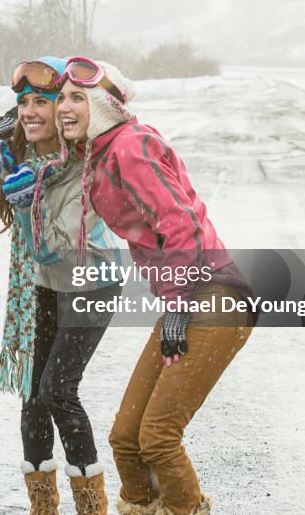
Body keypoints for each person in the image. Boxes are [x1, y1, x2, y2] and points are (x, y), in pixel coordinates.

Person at [55, 58, 253, 515]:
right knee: (125, 439)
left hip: (214, 295)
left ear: (103, 106)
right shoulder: (98, 153)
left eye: (77, 97)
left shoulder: (130, 145)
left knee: (159, 439)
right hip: (186, 296)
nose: (64, 105)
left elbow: (180, 223)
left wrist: (179, 303)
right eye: (62, 96)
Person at [0, 57, 123, 515]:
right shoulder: (21, 157)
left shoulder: (83, 164)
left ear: (66, 109)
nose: (31, 111)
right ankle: (43, 509)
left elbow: (57, 250)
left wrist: (29, 204)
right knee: (32, 396)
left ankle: (93, 508)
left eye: (43, 101)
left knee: (58, 389)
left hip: (92, 279)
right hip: (45, 284)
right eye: (24, 102)